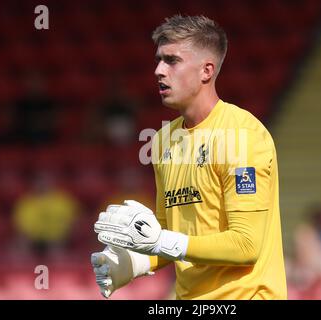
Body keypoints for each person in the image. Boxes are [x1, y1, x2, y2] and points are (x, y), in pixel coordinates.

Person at [91, 15, 287, 300]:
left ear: (206, 71)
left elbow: (246, 245)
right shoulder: (162, 141)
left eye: (171, 61)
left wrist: (162, 240)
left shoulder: (242, 135)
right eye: (158, 60)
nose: (158, 70)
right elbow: (166, 235)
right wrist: (131, 264)